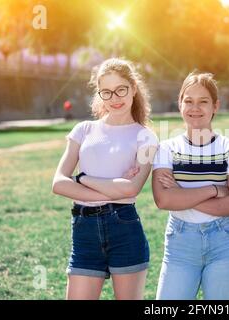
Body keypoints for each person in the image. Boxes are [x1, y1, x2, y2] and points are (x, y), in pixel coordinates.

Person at [52, 58, 158, 300]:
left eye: (121, 89)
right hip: (84, 231)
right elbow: (58, 183)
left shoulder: (146, 137)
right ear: (100, 94)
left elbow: (132, 188)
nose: (115, 98)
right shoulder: (83, 130)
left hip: (124, 228)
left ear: (133, 88)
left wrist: (83, 178)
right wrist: (113, 190)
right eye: (107, 92)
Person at [152, 72, 229, 300]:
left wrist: (181, 194)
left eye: (203, 101)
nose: (195, 108)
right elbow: (164, 200)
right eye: (189, 101)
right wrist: (214, 191)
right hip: (181, 244)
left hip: (224, 241)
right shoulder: (166, 148)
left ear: (215, 106)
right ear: (180, 103)